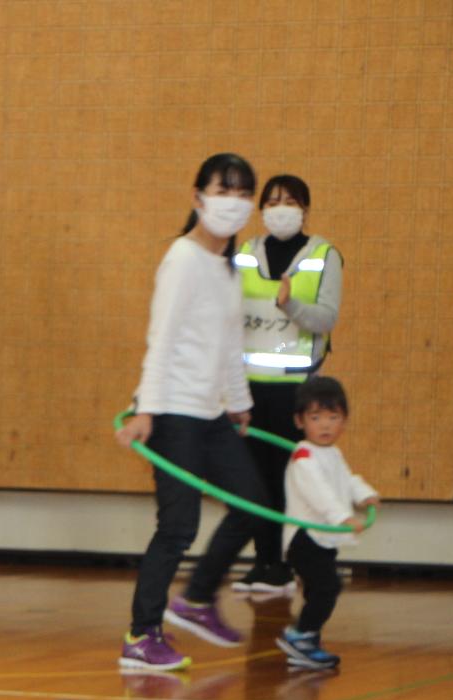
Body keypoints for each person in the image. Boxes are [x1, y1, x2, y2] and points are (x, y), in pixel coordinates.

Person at [114, 152, 262, 672]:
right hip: (172, 412)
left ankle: (197, 599)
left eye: (244, 192)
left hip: (212, 414)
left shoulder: (227, 267)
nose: (234, 201)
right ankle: (141, 634)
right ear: (198, 197)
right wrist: (146, 411)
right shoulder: (182, 257)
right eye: (224, 189)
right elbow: (164, 337)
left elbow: (228, 346)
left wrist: (239, 405)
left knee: (252, 503)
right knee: (178, 527)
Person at [231, 175, 344, 597]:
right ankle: (266, 565)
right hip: (247, 389)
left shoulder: (323, 255)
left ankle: (297, 564)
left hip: (297, 391)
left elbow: (325, 319)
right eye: (273, 201)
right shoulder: (244, 254)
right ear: (261, 208)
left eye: (291, 201)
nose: (281, 209)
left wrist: (290, 304)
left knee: (291, 479)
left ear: (305, 208)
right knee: (254, 479)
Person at [277, 377, 378, 671]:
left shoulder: (332, 453)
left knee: (317, 589)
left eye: (333, 418)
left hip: (323, 538)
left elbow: (345, 481)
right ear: (300, 421)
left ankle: (307, 645)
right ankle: (299, 636)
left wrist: (364, 495)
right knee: (327, 587)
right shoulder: (304, 457)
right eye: (316, 417)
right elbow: (319, 494)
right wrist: (343, 518)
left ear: (344, 421)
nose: (325, 425)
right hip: (304, 537)